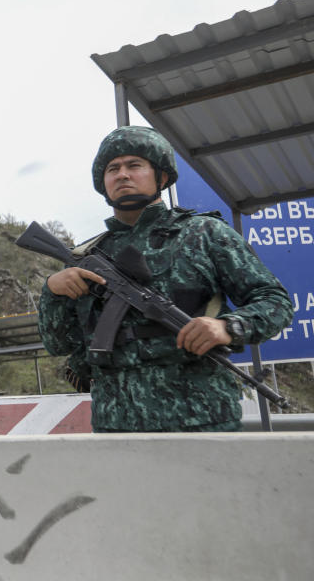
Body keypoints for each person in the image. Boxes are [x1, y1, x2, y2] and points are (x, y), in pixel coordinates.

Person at [38, 126, 293, 433]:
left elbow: (275, 301)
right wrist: (53, 290)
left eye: (135, 166)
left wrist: (228, 327)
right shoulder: (90, 253)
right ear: (103, 182)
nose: (122, 175)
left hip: (201, 418)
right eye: (113, 169)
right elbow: (58, 343)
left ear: (160, 176)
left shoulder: (203, 234)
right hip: (116, 423)